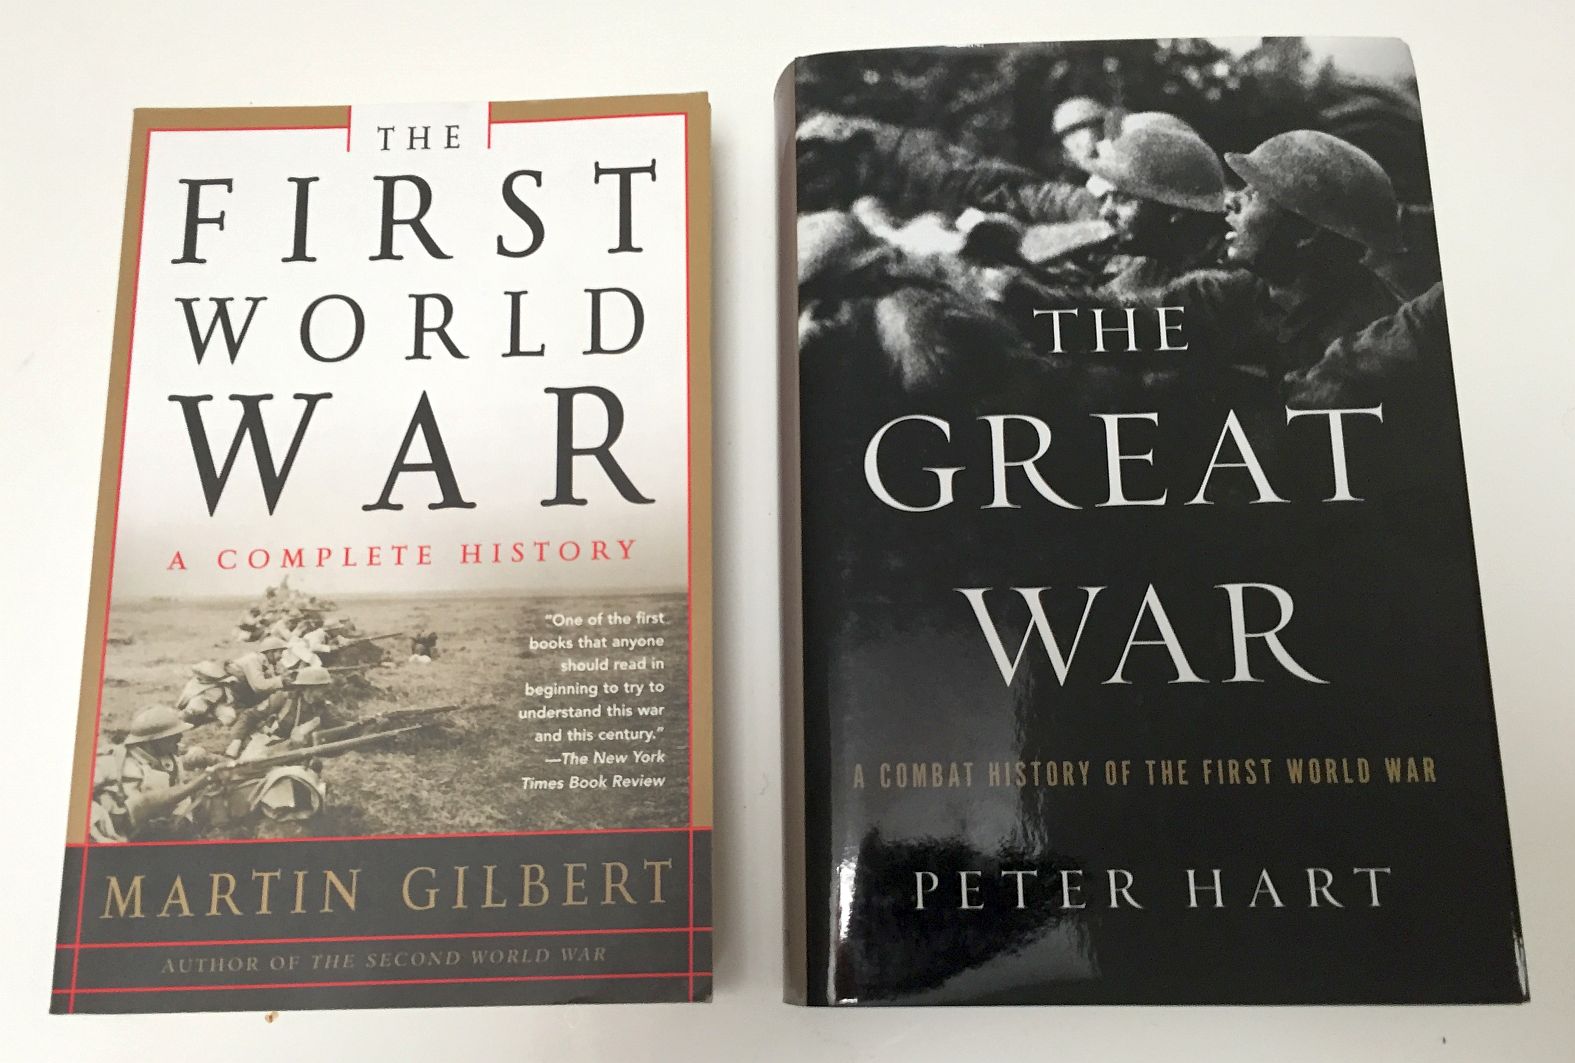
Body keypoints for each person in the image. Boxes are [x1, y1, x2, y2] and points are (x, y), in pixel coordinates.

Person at [91, 706, 219, 841]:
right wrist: (101, 833)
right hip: (119, 835)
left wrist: (180, 817)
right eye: (172, 735)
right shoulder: (112, 762)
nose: (180, 738)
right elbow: (81, 798)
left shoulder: (171, 761)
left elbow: (181, 793)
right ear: (152, 740)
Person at [174, 659, 237, 726]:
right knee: (185, 715)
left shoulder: (217, 687)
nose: (199, 675)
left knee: (229, 715)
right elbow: (185, 697)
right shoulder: (193, 683)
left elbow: (210, 701)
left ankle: (213, 723)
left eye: (203, 675)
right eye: (198, 673)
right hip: (193, 709)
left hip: (212, 708)